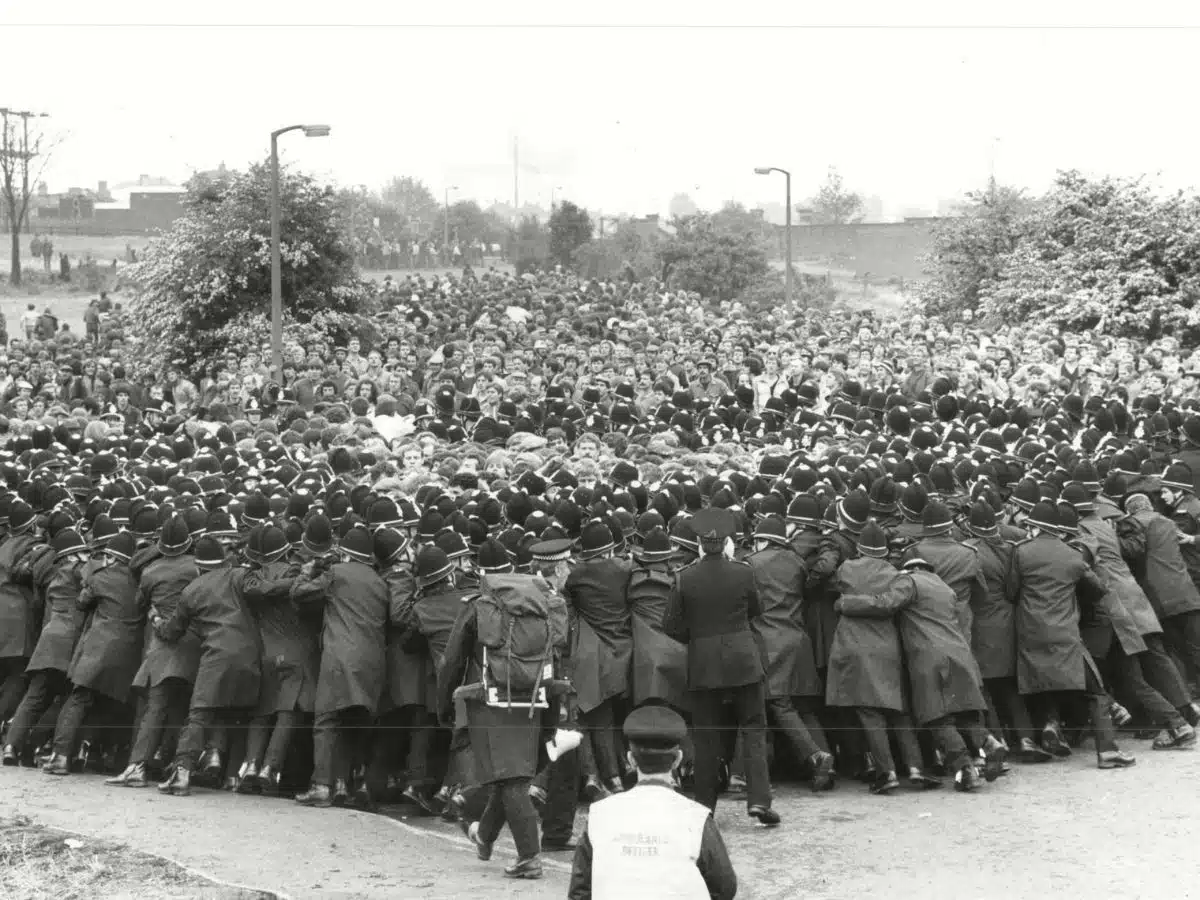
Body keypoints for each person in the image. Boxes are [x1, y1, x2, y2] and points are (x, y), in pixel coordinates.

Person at [663, 506, 779, 825]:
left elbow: (670, 625)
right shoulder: (744, 572)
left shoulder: (684, 577)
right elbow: (756, 609)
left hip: (704, 663)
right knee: (753, 729)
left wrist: (698, 638)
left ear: (700, 544)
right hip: (743, 658)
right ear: (727, 542)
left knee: (706, 737)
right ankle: (759, 800)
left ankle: (705, 806)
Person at [568, 705, 737, 900]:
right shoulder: (697, 818)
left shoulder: (600, 814)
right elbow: (725, 887)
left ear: (631, 760)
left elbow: (579, 891)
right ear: (678, 760)